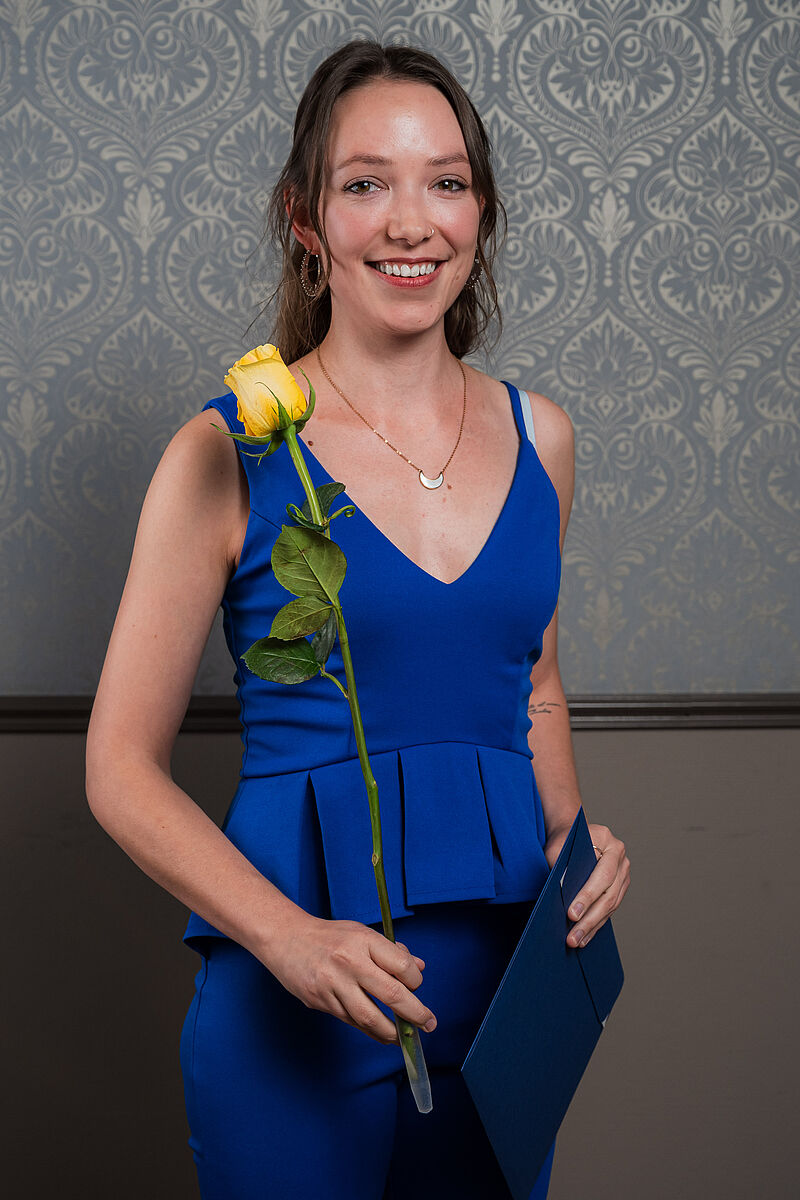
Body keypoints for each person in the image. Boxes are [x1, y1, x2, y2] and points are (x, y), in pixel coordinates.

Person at [86, 40, 630, 1200]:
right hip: (291, 1004)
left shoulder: (542, 437)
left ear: (479, 212)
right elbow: (118, 768)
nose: (410, 221)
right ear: (305, 217)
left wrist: (571, 843)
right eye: (364, 182)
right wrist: (286, 937)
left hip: (508, 997)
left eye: (446, 182)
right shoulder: (223, 452)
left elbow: (529, 678)